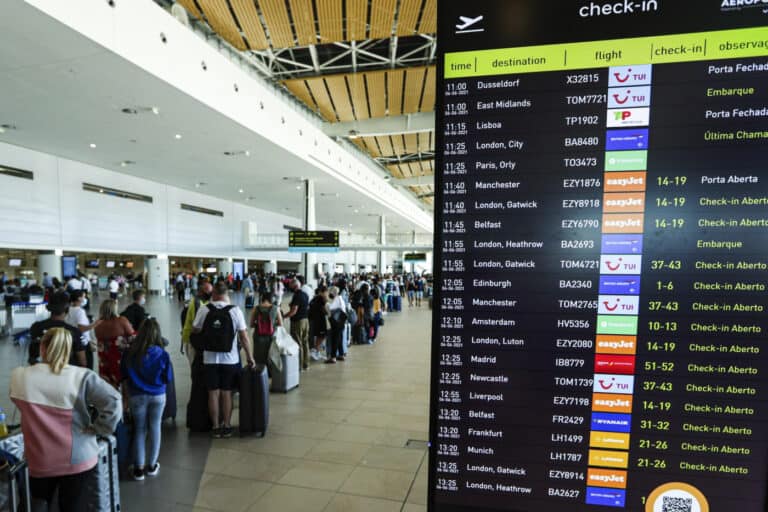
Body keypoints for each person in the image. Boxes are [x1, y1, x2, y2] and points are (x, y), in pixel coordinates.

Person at [10, 328, 122, 511]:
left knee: (37, 502)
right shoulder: (82, 376)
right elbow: (114, 402)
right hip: (78, 458)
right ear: (67, 349)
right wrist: (100, 428)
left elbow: (18, 401)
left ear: (42, 348)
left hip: (39, 458)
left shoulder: (20, 377)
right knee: (71, 505)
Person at [192, 281, 255, 438]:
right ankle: (226, 425)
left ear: (213, 294)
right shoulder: (235, 311)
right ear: (227, 294)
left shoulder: (204, 309)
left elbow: (195, 330)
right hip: (230, 359)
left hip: (209, 359)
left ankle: (215, 427)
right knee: (227, 392)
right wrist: (249, 357)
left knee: (213, 393)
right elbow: (244, 337)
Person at [121, 319, 172, 481]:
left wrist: (125, 397)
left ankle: (138, 469)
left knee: (140, 430)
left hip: (136, 395)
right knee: (155, 427)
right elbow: (167, 377)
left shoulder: (130, 353)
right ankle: (152, 465)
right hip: (158, 395)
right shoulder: (162, 354)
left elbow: (124, 375)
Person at [29, 291, 87, 368]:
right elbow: (82, 361)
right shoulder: (74, 332)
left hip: (41, 371)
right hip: (67, 374)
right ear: (67, 308)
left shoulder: (36, 327)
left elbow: (32, 355)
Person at [94, 299, 135, 389]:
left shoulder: (98, 324)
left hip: (104, 359)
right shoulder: (121, 320)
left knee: (109, 387)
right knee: (124, 385)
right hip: (119, 359)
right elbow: (132, 335)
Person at [65, 290, 99, 369]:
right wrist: (94, 324)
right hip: (82, 343)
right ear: (79, 298)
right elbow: (81, 329)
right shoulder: (80, 311)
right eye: (84, 297)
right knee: (87, 365)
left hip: (72, 341)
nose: (85, 298)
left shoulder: (68, 309)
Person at [181, 280, 212, 367]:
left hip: (196, 339)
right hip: (191, 340)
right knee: (195, 366)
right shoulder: (197, 302)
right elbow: (198, 324)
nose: (210, 293)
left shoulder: (204, 301)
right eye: (208, 291)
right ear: (201, 292)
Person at [283, 279, 310, 371]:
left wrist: (283, 316)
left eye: (290, 286)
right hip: (306, 320)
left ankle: (299, 366)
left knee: (298, 343)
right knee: (305, 342)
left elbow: (294, 311)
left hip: (298, 322)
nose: (289, 287)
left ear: (294, 286)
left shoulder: (297, 296)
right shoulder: (305, 294)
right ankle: (306, 364)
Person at [250, 292, 283, 366]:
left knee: (258, 357)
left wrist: (259, 324)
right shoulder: (276, 308)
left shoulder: (256, 308)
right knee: (270, 355)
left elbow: (251, 325)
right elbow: (281, 324)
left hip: (258, 336)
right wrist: (273, 324)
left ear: (262, 298)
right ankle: (270, 373)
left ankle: (260, 373)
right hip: (271, 336)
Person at [308, 286, 330, 361]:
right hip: (320, 321)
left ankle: (317, 351)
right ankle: (315, 351)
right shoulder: (321, 299)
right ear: (323, 292)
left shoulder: (315, 298)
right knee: (321, 336)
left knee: (320, 336)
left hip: (315, 320)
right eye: (326, 292)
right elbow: (325, 310)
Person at [326, 287, 347, 363]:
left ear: (333, 293)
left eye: (330, 292)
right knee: (339, 338)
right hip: (341, 322)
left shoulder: (337, 299)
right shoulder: (340, 299)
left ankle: (333, 357)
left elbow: (330, 308)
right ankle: (341, 354)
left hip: (337, 322)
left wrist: (326, 303)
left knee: (335, 338)